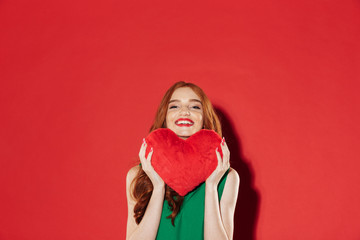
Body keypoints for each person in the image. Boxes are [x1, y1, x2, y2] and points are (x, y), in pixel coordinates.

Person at [126, 81, 240, 240]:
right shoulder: (138, 175)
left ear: (204, 119)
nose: (185, 111)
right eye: (174, 106)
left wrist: (212, 186)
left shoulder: (227, 178)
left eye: (195, 107)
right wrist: (158, 187)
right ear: (164, 118)